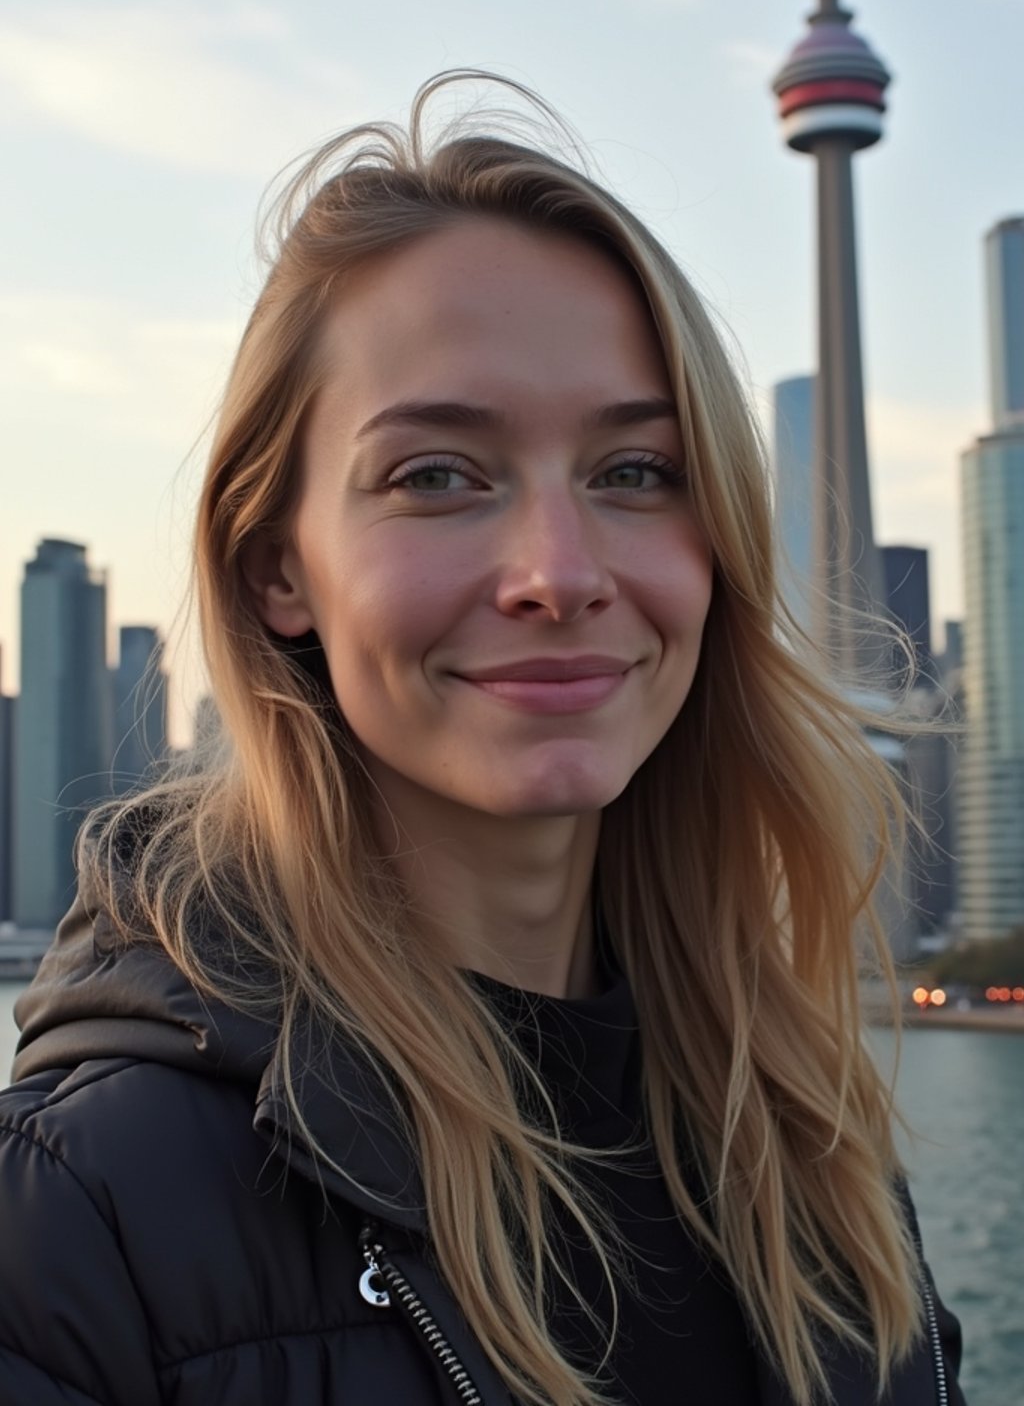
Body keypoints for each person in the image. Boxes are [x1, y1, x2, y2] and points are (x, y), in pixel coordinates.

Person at [0, 73, 964, 1406]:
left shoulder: (816, 1157)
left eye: (637, 471)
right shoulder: (73, 1225)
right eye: (437, 476)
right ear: (281, 567)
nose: (557, 573)